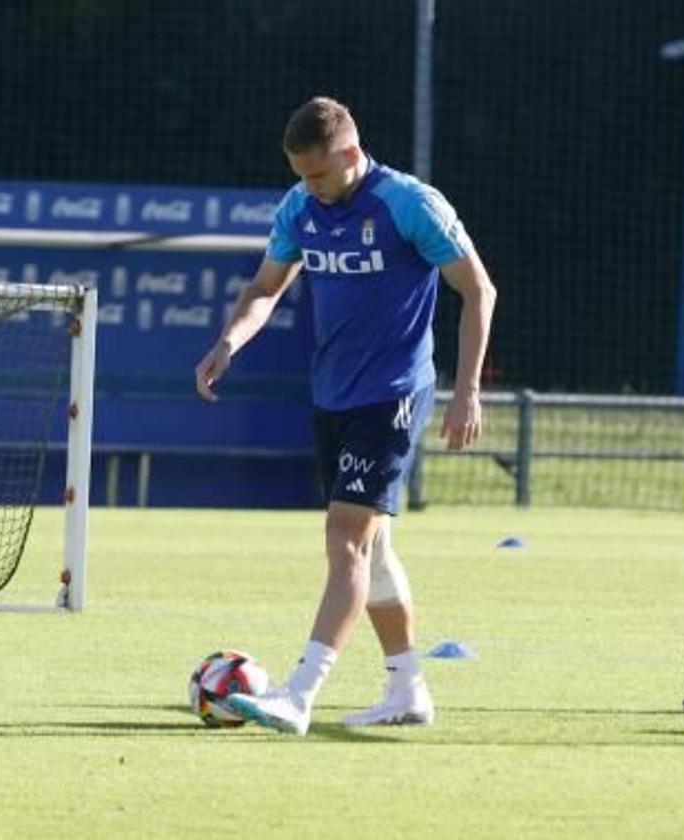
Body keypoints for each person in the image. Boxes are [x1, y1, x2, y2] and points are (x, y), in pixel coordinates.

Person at [194, 96, 496, 735]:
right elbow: (264, 288)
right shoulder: (299, 207)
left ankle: (299, 693)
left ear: (352, 155)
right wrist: (228, 341)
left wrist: (466, 389)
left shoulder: (410, 203)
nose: (311, 188)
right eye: (302, 175)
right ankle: (408, 687)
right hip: (332, 397)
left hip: (392, 394)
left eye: (320, 175)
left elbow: (478, 289)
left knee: (346, 540)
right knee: (375, 550)